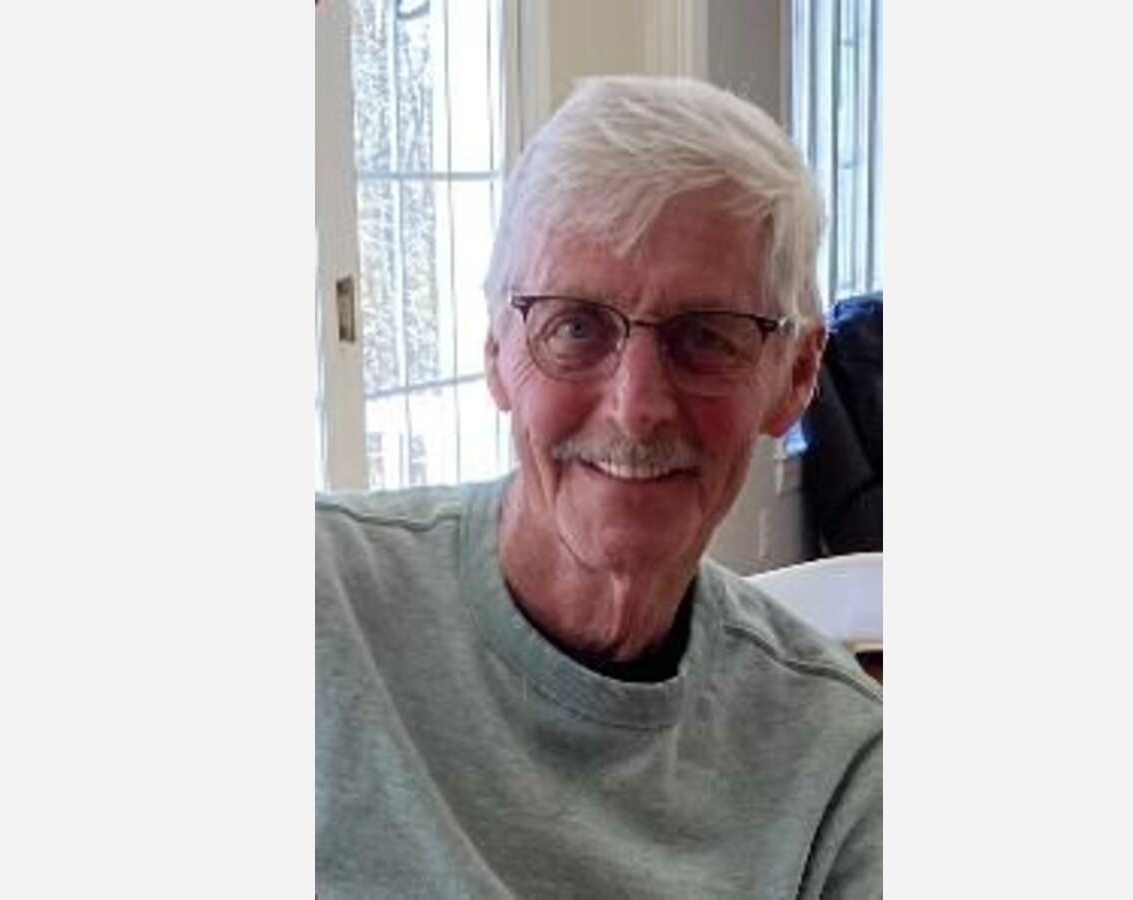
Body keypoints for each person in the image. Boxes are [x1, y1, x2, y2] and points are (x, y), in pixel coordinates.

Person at [316, 75, 882, 898]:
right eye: (575, 326)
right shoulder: (322, 604)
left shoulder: (840, 768)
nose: (636, 407)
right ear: (497, 351)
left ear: (795, 375)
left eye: (706, 337)